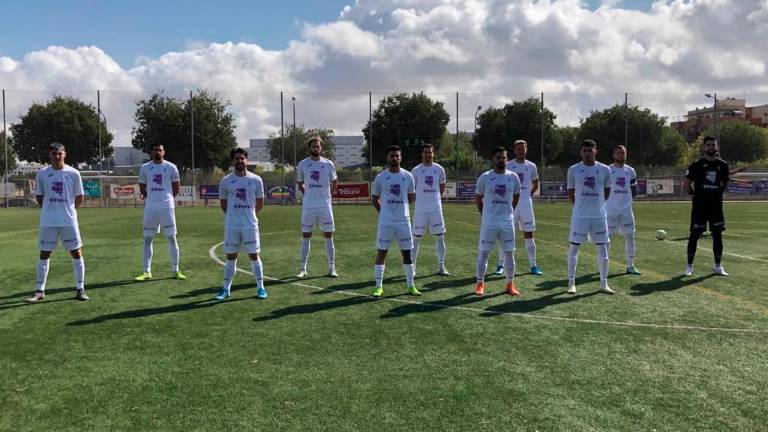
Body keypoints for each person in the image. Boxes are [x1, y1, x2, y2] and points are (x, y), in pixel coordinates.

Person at [26, 143, 88, 303]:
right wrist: (50, 209)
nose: (57, 156)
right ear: (50, 155)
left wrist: (68, 209)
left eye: (59, 153)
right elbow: (39, 197)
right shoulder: (42, 174)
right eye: (54, 153)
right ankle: (40, 291)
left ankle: (80, 288)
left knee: (76, 252)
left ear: (65, 154)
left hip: (69, 220)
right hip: (48, 221)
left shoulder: (74, 173)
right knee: (44, 253)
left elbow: (79, 197)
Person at [215, 148, 267, 300]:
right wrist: (234, 215)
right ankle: (225, 289)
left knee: (254, 255)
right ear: (233, 161)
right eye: (237, 158)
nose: (240, 161)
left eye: (242, 158)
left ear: (246, 160)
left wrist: (249, 215)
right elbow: (224, 204)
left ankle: (261, 288)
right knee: (230, 257)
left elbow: (260, 203)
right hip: (232, 225)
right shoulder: (226, 181)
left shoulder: (256, 180)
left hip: (250, 225)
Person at [371, 145, 421, 297]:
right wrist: (384, 213)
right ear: (387, 158)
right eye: (392, 155)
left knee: (407, 254)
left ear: (401, 158)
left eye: (397, 156)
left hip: (403, 222)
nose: (395, 158)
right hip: (386, 222)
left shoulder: (408, 176)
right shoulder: (380, 177)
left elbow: (411, 198)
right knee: (382, 252)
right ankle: (378, 287)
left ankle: (411, 286)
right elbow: (374, 199)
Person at [566, 139, 614, 295]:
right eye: (584, 151)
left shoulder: (605, 170)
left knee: (603, 250)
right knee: (573, 249)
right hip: (580, 217)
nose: (587, 153)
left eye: (590, 150)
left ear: (595, 151)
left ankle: (603, 283)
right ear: (581, 152)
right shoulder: (573, 170)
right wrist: (581, 205)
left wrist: (597, 205)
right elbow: (571, 192)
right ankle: (571, 283)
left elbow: (606, 192)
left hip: (599, 217)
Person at [474, 146, 522, 296]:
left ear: (507, 159)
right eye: (498, 157)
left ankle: (510, 284)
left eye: (503, 157)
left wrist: (507, 211)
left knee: (509, 254)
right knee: (484, 254)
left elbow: (516, 198)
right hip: (489, 223)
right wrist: (486, 215)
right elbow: (478, 199)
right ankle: (480, 284)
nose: (501, 160)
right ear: (492, 160)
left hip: (507, 222)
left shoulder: (513, 177)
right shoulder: (485, 177)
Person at [134, 143, 186, 281]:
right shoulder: (145, 168)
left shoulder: (171, 167)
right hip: (150, 208)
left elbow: (176, 188)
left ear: (164, 152)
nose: (158, 152)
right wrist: (151, 198)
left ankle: (176, 269)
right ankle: (146, 272)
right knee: (147, 239)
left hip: (166, 208)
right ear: (151, 152)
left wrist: (167, 199)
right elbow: (142, 186)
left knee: (171, 238)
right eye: (155, 150)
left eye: (160, 150)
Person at [494, 139, 543, 276]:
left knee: (529, 234)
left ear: (526, 150)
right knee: (506, 234)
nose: (521, 151)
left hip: (526, 204)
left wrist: (527, 195)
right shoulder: (508, 165)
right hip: (511, 205)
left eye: (523, 149)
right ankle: (500, 265)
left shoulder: (531, 166)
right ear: (514, 150)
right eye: (518, 149)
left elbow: (535, 183)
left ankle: (533, 266)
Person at [683, 136, 730, 276]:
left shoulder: (723, 165)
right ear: (704, 147)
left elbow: (725, 182)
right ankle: (689, 266)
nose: (711, 147)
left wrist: (720, 192)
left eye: (713, 145)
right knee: (695, 235)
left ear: (717, 147)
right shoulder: (697, 164)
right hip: (700, 207)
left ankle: (718, 266)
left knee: (717, 235)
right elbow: (686, 183)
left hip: (716, 207)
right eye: (708, 145)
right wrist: (693, 195)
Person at [295, 136, 339, 278]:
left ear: (321, 148)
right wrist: (307, 194)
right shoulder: (303, 164)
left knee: (329, 236)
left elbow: (335, 182)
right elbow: (300, 182)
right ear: (310, 148)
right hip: (309, 206)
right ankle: (303, 269)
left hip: (325, 206)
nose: (316, 149)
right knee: (306, 236)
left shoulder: (328, 164)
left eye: (318, 146)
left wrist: (329, 195)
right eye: (313, 146)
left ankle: (332, 268)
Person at [411, 143, 449, 276]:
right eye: (425, 152)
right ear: (422, 154)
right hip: (420, 210)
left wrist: (434, 200)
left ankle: (441, 266)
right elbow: (412, 190)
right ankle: (413, 267)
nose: (428, 154)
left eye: (430, 152)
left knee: (440, 238)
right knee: (415, 238)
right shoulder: (415, 170)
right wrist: (420, 202)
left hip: (436, 210)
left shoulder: (439, 169)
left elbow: (442, 189)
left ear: (433, 154)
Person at [606, 144, 641, 275]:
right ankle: (604, 264)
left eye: (623, 153)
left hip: (626, 209)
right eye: (618, 153)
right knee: (607, 237)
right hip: (611, 209)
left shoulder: (630, 171)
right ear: (614, 155)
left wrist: (630, 201)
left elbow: (633, 187)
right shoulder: (608, 170)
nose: (621, 155)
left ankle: (630, 266)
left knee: (630, 236)